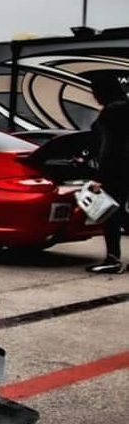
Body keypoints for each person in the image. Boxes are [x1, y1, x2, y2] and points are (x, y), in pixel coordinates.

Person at [83, 71, 129, 274]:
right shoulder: (125, 107)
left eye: (94, 91)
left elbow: (109, 148)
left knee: (110, 214)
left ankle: (113, 259)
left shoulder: (112, 112)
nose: (93, 96)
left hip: (117, 169)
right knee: (120, 212)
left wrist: (100, 178)